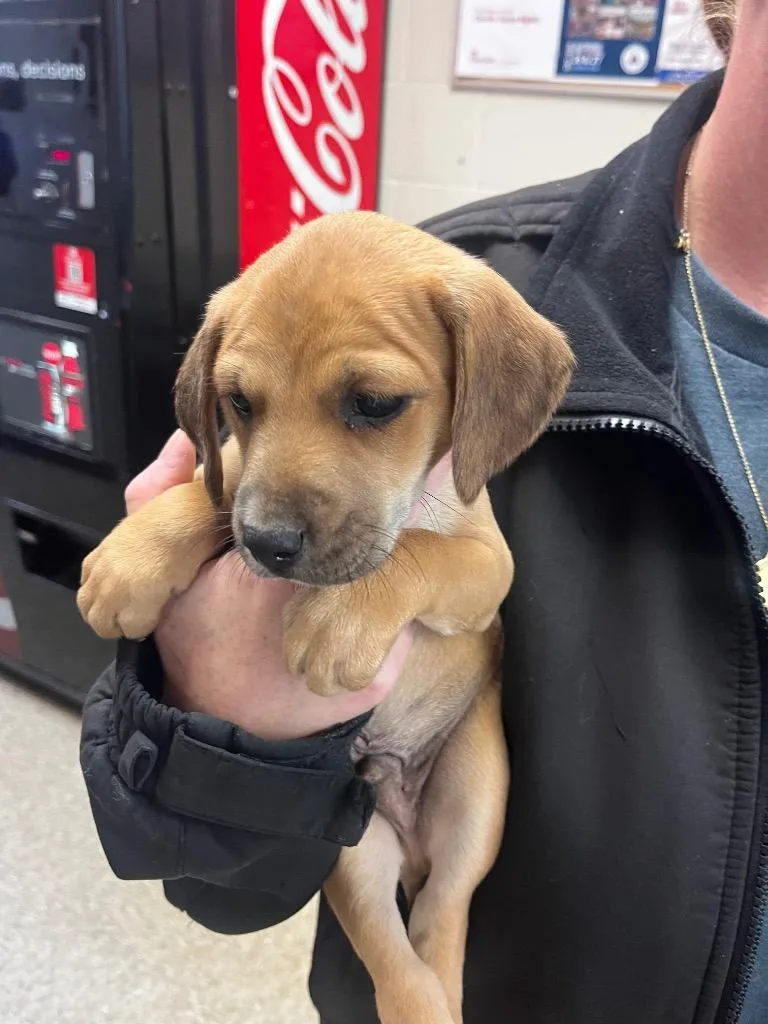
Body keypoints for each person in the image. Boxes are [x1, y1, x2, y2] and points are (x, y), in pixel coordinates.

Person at [80, 2, 768, 1021]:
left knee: (450, 850)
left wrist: (387, 579)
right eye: (242, 400)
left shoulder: (481, 346)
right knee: (364, 865)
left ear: (481, 402)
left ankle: (435, 936)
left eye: (374, 406)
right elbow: (210, 884)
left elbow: (475, 574)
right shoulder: (455, 274)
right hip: (357, 793)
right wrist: (209, 703)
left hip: (454, 757)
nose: (279, 491)